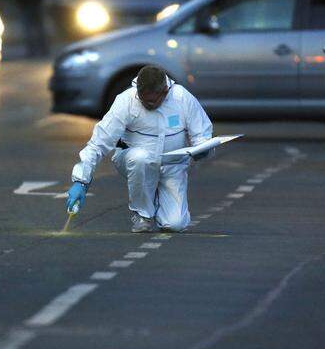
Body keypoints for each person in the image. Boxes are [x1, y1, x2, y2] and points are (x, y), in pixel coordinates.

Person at [66, 65, 214, 233]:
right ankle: (142, 213)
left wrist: (203, 149)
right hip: (133, 160)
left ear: (165, 91)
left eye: (152, 101)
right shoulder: (126, 100)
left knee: (175, 224)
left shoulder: (182, 98)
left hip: (173, 166)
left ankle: (158, 198)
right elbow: (98, 143)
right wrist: (81, 181)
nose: (148, 105)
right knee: (140, 158)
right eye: (143, 100)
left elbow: (202, 134)